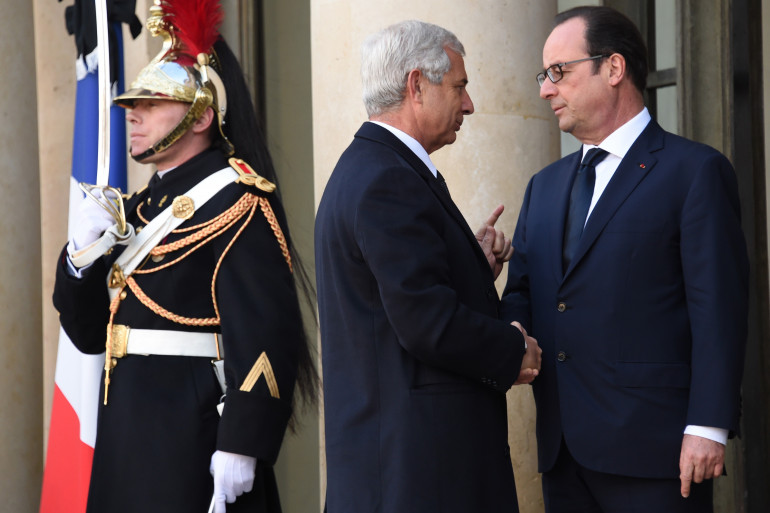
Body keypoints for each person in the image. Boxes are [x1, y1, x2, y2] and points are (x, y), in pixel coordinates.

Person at [53, 2, 316, 512]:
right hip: (126, 441)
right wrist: (81, 259)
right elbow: (88, 335)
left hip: (192, 441)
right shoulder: (134, 210)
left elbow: (267, 334)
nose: (133, 113)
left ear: (202, 116)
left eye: (151, 103)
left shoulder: (239, 203)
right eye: (134, 103)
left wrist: (243, 439)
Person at [501, 6, 749, 513]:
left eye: (558, 72)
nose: (546, 89)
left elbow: (718, 309)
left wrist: (707, 426)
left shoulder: (694, 172)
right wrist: (508, 335)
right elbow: (523, 292)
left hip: (657, 454)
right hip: (563, 452)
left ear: (613, 69)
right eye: (543, 76)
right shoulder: (543, 187)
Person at [315, 19, 542, 513]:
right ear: (417, 85)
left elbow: (395, 298)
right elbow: (427, 323)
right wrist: (513, 347)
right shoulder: (386, 180)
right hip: (417, 477)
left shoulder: (373, 168)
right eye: (459, 86)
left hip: (404, 470)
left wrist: (469, 266)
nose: (469, 104)